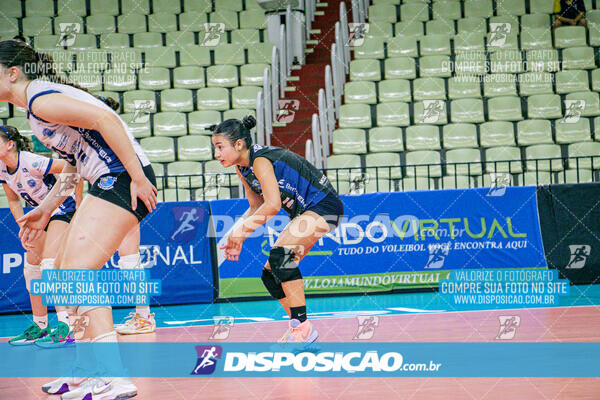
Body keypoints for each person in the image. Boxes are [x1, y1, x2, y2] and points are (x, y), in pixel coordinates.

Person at [0, 39, 157, 400]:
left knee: (77, 274)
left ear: (11, 73)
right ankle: (87, 370)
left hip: (119, 177)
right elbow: (73, 162)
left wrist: (136, 175)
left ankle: (115, 376)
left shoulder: (41, 99)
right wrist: (48, 206)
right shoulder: (35, 108)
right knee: (63, 276)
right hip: (104, 178)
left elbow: (106, 118)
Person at [213, 116, 344, 344]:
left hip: (324, 205)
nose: (216, 154)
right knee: (270, 274)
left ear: (238, 144)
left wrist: (241, 233)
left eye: (219, 147)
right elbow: (256, 206)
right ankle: (301, 328)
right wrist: (237, 234)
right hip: (304, 213)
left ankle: (301, 326)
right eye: (214, 148)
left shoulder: (260, 160)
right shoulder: (241, 168)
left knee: (281, 256)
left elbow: (272, 205)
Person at [0, 125, 80, 346]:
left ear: (10, 145)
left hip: (63, 210)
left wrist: (80, 205)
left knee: (49, 264)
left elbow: (71, 169)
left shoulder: (30, 161)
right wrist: (21, 225)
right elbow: (15, 199)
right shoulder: (2, 168)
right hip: (40, 215)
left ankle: (67, 325)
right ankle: (41, 325)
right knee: (31, 267)